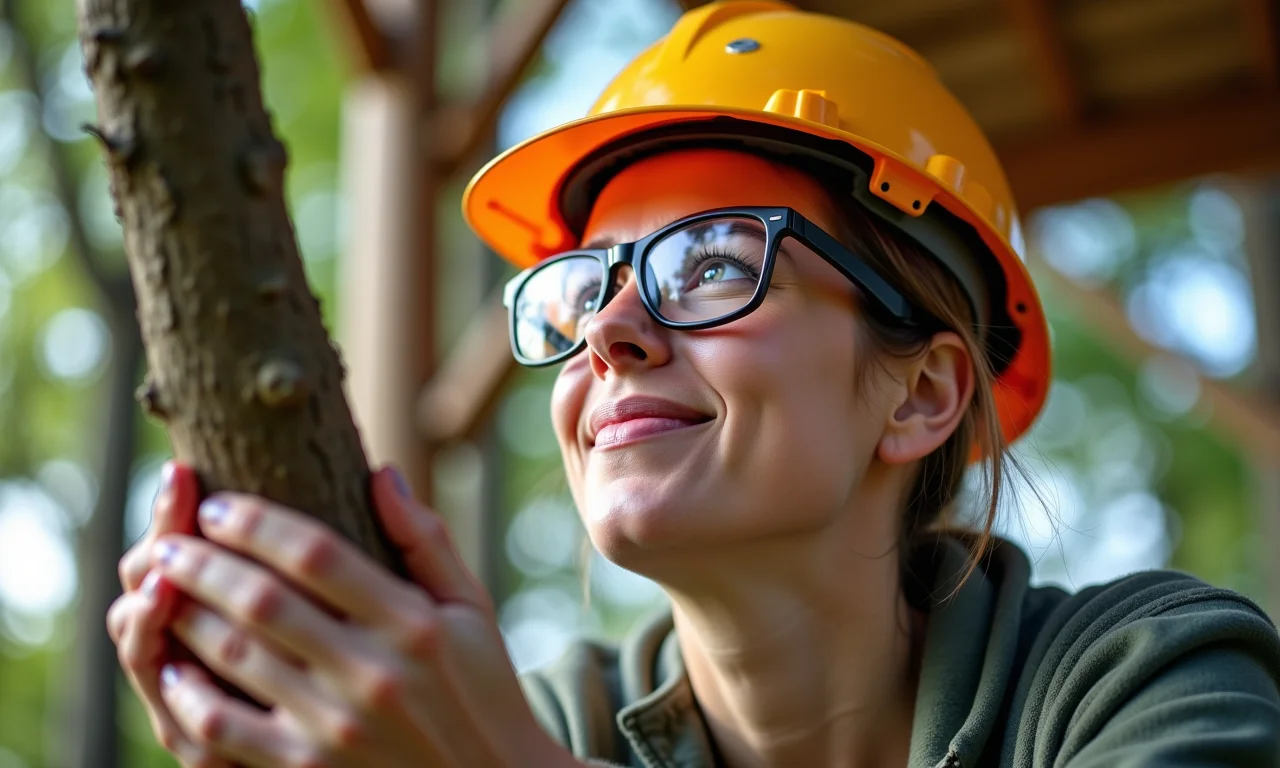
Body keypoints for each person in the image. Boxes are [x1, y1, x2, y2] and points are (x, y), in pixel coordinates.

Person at [108, 2, 1280, 766]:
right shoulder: (545, 725)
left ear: (921, 395)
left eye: (714, 263)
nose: (607, 330)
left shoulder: (1146, 682)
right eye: (582, 286)